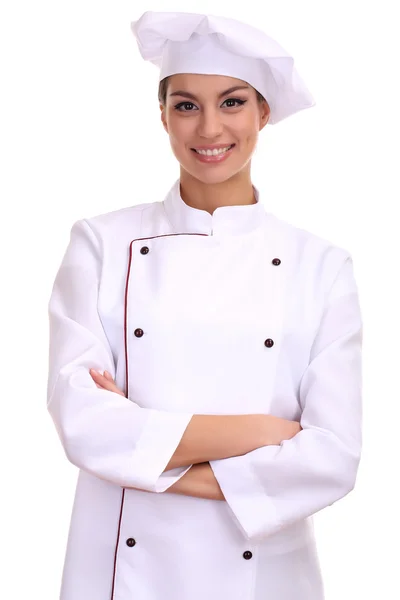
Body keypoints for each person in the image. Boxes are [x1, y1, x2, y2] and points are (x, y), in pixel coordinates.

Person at [46, 10, 363, 600]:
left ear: (264, 112)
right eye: (187, 105)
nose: (209, 129)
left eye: (234, 102)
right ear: (163, 115)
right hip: (122, 569)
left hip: (263, 575)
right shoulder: (101, 243)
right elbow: (83, 422)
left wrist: (142, 453)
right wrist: (262, 431)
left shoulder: (320, 266)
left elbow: (332, 457)